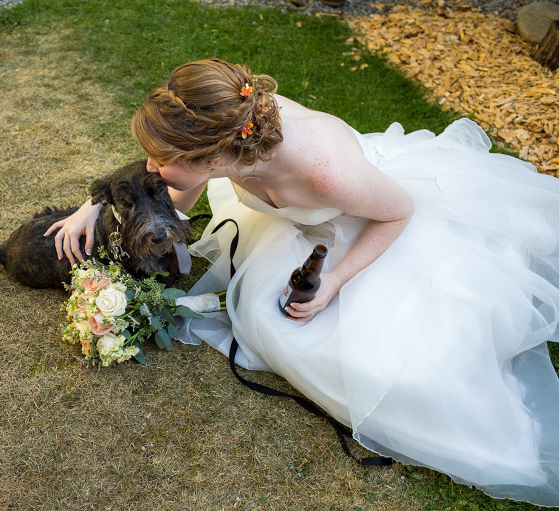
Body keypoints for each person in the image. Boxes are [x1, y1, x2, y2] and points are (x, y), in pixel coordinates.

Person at [46, 59, 559, 506]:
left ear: (213, 160)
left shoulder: (325, 172)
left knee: (392, 372)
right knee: (265, 316)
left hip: (374, 220)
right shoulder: (216, 120)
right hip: (300, 219)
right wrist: (92, 205)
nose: (150, 169)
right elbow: (172, 190)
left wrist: (334, 281)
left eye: (160, 162)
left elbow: (400, 212)